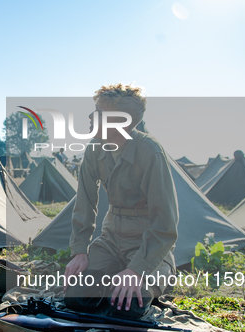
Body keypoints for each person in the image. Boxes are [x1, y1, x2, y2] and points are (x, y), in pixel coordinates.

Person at [63, 84, 178, 319]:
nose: (90, 117)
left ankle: (148, 275)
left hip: (146, 241)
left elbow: (165, 224)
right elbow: (85, 203)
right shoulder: (94, 149)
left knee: (128, 308)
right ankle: (115, 277)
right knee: (75, 298)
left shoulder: (150, 152)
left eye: (99, 113)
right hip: (111, 237)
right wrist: (80, 252)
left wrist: (137, 269)